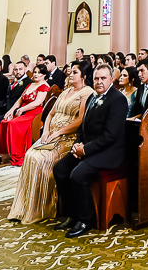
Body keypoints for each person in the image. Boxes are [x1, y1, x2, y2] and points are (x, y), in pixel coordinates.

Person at [8, 65, 93, 223]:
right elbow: (51, 113)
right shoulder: (66, 91)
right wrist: (46, 131)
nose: (70, 75)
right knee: (30, 155)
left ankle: (41, 209)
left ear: (84, 76)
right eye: (70, 72)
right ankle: (24, 207)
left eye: (75, 72)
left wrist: (59, 132)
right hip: (51, 135)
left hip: (68, 137)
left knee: (41, 159)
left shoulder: (87, 93)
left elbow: (80, 119)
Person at [52, 65, 128, 238]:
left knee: (78, 174)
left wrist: (85, 150)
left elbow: (110, 135)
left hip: (109, 152)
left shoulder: (118, 100)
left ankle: (86, 219)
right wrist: (77, 146)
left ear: (111, 79)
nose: (99, 82)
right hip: (89, 148)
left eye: (103, 78)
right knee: (60, 169)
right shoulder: (92, 97)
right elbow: (82, 128)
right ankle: (73, 214)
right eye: (96, 78)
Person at [0, 65, 50, 165]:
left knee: (13, 124)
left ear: (44, 75)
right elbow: (20, 99)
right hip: (22, 110)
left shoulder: (44, 86)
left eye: (39, 73)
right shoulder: (30, 84)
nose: (36, 74)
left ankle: (16, 153)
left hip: (34, 113)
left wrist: (22, 109)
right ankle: (4, 154)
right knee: (4, 122)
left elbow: (37, 103)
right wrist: (11, 111)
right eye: (35, 72)